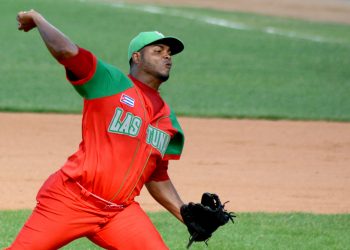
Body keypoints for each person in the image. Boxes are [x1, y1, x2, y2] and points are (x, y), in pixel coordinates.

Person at [9, 9, 186, 250]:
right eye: (158, 51)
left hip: (119, 213)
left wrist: (185, 214)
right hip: (71, 200)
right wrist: (39, 20)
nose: (167, 57)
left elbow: (156, 175)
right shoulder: (110, 82)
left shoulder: (168, 119)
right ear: (136, 57)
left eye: (169, 54)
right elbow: (67, 52)